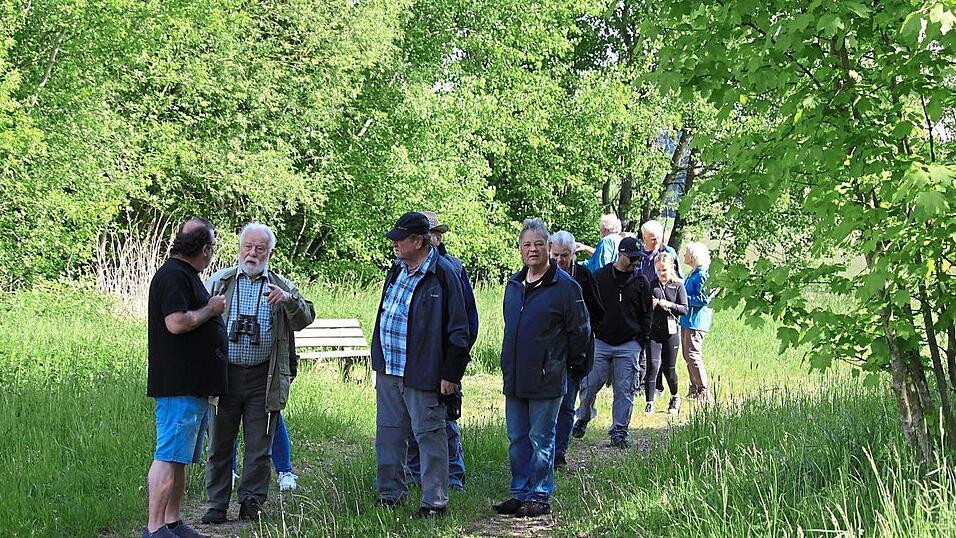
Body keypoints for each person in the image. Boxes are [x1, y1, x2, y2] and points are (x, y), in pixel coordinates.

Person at [202, 224, 315, 524]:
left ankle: (251, 503)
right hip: (223, 375)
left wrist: (289, 301)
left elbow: (305, 318)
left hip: (262, 379)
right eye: (247, 247)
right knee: (219, 446)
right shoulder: (220, 281)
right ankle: (216, 504)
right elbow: (198, 317)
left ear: (270, 252)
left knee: (259, 447)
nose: (252, 254)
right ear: (239, 248)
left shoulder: (281, 285)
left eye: (259, 249)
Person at [372, 212, 471, 519]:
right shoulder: (397, 269)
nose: (394, 244)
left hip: (424, 373)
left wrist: (450, 375)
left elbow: (460, 328)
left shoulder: (444, 273)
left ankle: (434, 503)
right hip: (390, 369)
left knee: (430, 436)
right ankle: (390, 494)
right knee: (388, 434)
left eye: (400, 239)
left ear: (418, 241)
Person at [493, 219, 591, 518]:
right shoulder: (514, 284)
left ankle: (539, 494)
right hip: (515, 377)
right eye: (527, 244)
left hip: (548, 377)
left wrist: (566, 366)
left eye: (538, 244)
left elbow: (581, 332)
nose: (532, 249)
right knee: (517, 438)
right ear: (520, 249)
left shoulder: (565, 287)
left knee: (542, 439)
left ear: (549, 247)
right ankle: (520, 491)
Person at [145, 218, 227, 538]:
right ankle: (154, 529)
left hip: (193, 385)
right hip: (178, 384)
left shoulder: (185, 275)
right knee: (167, 455)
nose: (211, 255)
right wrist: (212, 309)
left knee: (178, 458)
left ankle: (172, 524)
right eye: (212, 248)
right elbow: (176, 323)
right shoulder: (174, 276)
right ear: (205, 249)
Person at [404, 211, 478, 491]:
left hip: (443, 360)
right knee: (413, 423)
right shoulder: (405, 267)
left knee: (445, 421)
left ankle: (453, 478)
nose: (430, 239)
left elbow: (467, 321)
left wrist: (454, 364)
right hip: (412, 362)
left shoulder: (451, 269)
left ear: (437, 237)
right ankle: (414, 476)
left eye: (432, 234)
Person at [572, 237, 652, 448]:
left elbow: (647, 314)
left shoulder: (641, 282)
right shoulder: (600, 277)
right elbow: (588, 308)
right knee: (589, 384)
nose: (636, 262)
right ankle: (583, 417)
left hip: (629, 343)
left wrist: (640, 341)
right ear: (621, 254)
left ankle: (619, 430)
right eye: (632, 258)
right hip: (601, 341)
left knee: (625, 389)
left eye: (639, 258)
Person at [549, 230, 604, 466]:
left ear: (573, 255)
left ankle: (560, 450)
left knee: (568, 402)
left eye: (565, 256)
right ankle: (546, 447)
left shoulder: (583, 276)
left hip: (576, 351)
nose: (560, 260)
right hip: (549, 351)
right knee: (548, 402)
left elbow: (598, 311)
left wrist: (581, 327)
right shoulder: (544, 274)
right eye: (556, 256)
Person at [635, 220, 681, 394]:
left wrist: (669, 300)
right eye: (651, 239)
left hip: (665, 309)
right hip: (643, 303)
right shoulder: (640, 254)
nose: (655, 242)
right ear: (644, 238)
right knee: (645, 346)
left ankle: (658, 387)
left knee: (662, 351)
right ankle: (643, 384)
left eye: (657, 238)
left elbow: (678, 280)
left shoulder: (668, 253)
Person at [645, 252, 689, 415]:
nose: (661, 274)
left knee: (668, 368)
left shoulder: (678, 285)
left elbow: (684, 309)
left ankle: (675, 397)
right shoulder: (652, 284)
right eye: (658, 271)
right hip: (654, 332)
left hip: (671, 332)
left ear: (672, 268)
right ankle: (649, 402)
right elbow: (643, 306)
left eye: (663, 270)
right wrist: (651, 304)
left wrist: (668, 304)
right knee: (653, 366)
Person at [680, 242, 714, 402]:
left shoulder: (701, 275)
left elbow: (704, 299)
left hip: (696, 321)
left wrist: (683, 299)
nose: (684, 256)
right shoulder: (693, 273)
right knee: (687, 355)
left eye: (686, 253)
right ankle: (694, 388)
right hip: (687, 320)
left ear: (693, 256)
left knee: (693, 354)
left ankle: (703, 389)